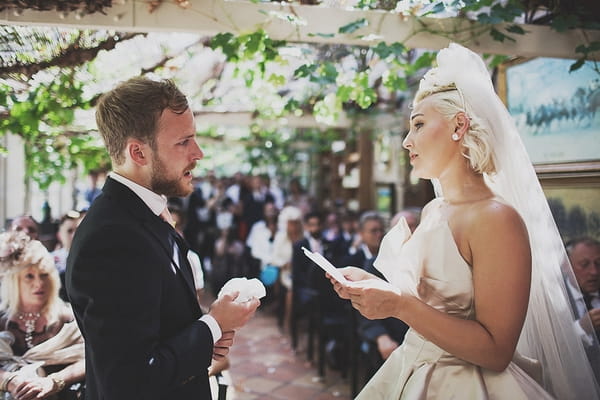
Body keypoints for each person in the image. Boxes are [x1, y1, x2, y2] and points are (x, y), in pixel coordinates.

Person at [328, 43, 600, 399]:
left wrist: (398, 305)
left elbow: (496, 350)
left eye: (419, 125)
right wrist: (375, 287)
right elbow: (432, 304)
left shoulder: (495, 218)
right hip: (411, 368)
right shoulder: (434, 210)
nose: (407, 141)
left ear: (459, 125)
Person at [66, 77, 260, 400]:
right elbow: (129, 381)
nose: (198, 153)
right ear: (138, 152)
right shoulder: (112, 238)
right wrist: (213, 324)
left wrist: (206, 332)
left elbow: (155, 329)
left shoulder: (143, 214)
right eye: (183, 142)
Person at [0, 231, 85, 400]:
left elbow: (93, 359)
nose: (39, 283)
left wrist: (55, 381)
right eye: (29, 276)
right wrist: (10, 381)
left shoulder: (70, 319)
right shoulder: (2, 321)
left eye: (44, 275)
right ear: (13, 281)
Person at [565, 237, 600, 379]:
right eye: (584, 264)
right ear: (565, 266)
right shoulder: (553, 299)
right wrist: (581, 328)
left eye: (599, 263)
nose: (594, 272)